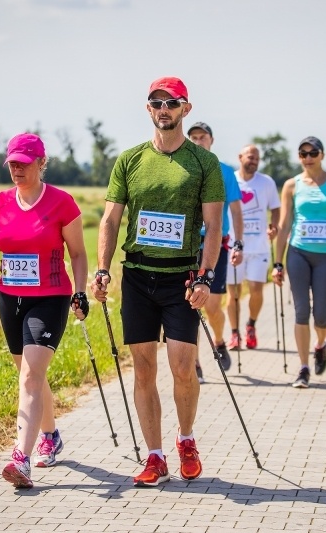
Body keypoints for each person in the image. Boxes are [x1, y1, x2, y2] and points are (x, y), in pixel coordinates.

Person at [90, 76, 225, 487]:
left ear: (186, 108)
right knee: (143, 369)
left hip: (182, 279)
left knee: (183, 367)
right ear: (148, 109)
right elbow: (111, 219)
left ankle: (186, 440)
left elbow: (215, 226)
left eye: (172, 102)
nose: (164, 109)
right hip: (137, 276)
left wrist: (206, 277)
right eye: (156, 102)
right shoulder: (129, 160)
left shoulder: (204, 163)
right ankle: (154, 456)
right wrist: (102, 269)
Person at [0, 133, 89, 489]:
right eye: (12, 163)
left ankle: (20, 459)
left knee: (30, 377)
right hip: (10, 300)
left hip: (50, 298)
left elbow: (78, 254)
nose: (16, 169)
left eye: (23, 164)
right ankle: (50, 435)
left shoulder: (62, 203)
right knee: (29, 375)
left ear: (42, 163)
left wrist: (81, 291)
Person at [272, 136, 326, 388]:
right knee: (300, 311)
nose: (308, 158)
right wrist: (277, 263)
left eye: (313, 153)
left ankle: (320, 344)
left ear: (322, 155)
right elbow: (284, 226)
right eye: (303, 153)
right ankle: (303, 367)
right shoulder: (291, 185)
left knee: (322, 316)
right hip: (298, 253)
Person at [187, 121, 244, 383]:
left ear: (211, 140)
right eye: (194, 137)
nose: (198, 141)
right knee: (189, 307)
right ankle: (194, 363)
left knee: (211, 306)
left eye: (202, 137)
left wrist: (239, 242)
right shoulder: (183, 169)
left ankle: (219, 341)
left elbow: (235, 209)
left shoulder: (225, 172)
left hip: (216, 244)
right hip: (187, 246)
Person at [226, 145, 281, 350]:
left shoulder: (266, 182)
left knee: (256, 289)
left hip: (259, 246)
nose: (254, 161)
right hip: (234, 246)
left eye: (257, 158)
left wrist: (274, 226)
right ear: (240, 157)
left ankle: (250, 325)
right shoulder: (230, 180)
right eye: (250, 157)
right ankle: (234, 333)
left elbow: (276, 209)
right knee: (234, 292)